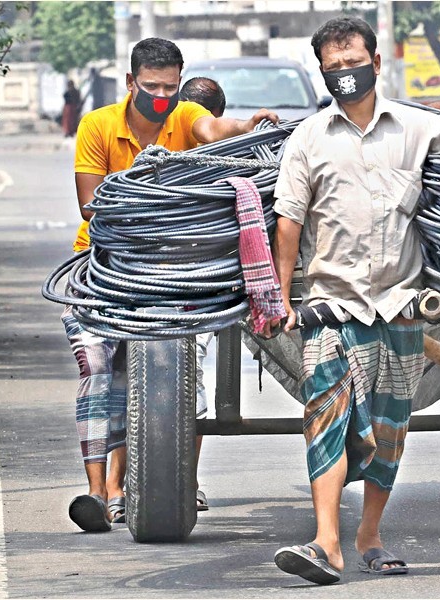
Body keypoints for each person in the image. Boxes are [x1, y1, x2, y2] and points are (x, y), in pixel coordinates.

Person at [268, 16, 440, 585]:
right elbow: (288, 223)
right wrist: (283, 298)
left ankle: (369, 535)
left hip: (401, 305)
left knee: (389, 429)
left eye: (353, 63)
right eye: (333, 69)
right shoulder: (307, 138)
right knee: (325, 422)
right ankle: (326, 543)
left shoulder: (421, 130)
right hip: (330, 305)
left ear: (376, 63)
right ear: (323, 75)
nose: (345, 75)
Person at [65, 37, 277, 532]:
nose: (160, 96)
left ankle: (122, 489)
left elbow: (213, 126)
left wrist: (244, 127)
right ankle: (98, 492)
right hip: (102, 267)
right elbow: (92, 208)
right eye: (151, 86)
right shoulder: (97, 126)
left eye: (169, 87)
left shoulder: (183, 118)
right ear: (130, 83)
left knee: (151, 373)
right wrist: (158, 206)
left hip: (173, 273)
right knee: (100, 367)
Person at [178, 75, 230, 512]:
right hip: (190, 287)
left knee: (125, 384)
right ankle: (183, 482)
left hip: (197, 288)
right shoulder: (225, 157)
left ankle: (116, 490)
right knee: (183, 383)